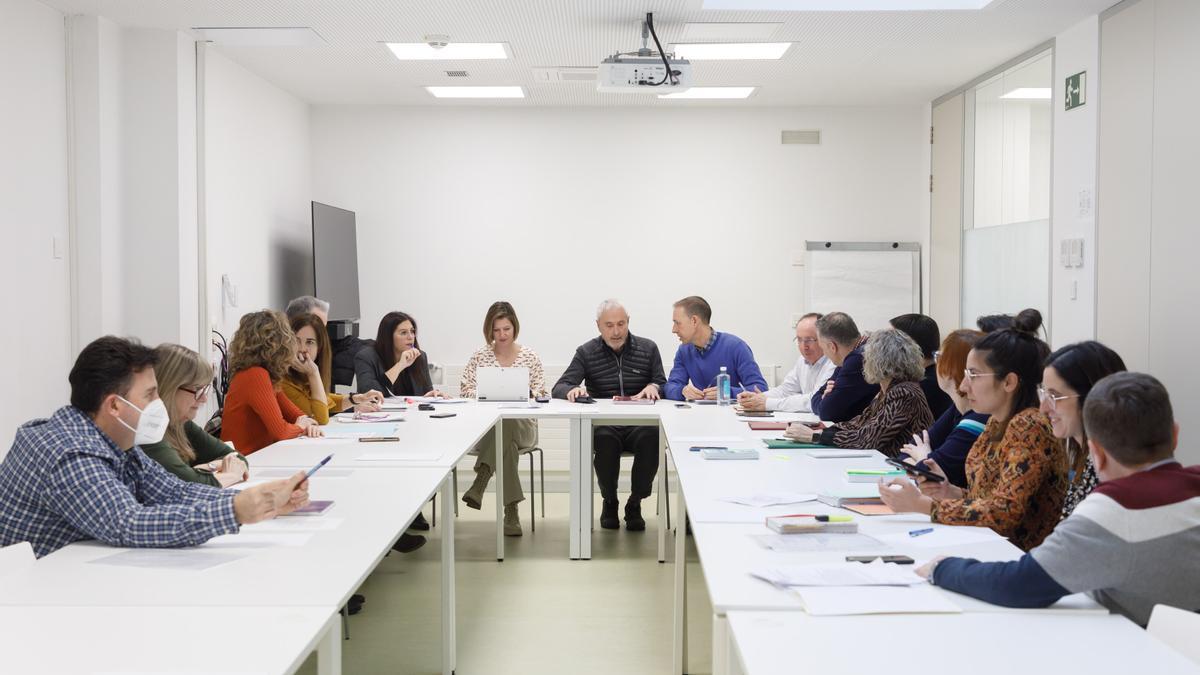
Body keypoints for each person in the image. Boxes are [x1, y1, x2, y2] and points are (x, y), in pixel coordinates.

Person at [919, 372, 1200, 626]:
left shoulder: (1113, 510)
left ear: (1096, 454)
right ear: (1175, 436)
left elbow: (1018, 585)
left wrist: (943, 568)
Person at [0, 336, 309, 558]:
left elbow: (174, 491)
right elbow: (129, 523)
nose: (158, 404)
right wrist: (236, 510)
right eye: (149, 395)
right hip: (32, 601)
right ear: (114, 406)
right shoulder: (69, 454)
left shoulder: (117, 440)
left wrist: (261, 501)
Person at [878, 309, 1068, 551]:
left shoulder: (1028, 426)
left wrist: (922, 505)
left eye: (974, 375)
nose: (964, 386)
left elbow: (1004, 514)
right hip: (988, 546)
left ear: (1009, 382)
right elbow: (988, 500)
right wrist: (949, 491)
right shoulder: (996, 422)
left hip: (1015, 556)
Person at [552, 300, 667, 531]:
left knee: (652, 439)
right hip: (606, 425)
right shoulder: (586, 352)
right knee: (604, 442)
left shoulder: (648, 348)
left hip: (640, 425)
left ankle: (635, 502)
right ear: (598, 326)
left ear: (628, 322)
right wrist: (571, 390)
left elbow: (662, 382)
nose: (616, 331)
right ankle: (610, 501)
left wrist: (655, 387)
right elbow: (560, 386)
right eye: (609, 325)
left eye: (621, 324)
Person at [459, 301, 547, 536]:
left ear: (514, 327)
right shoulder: (480, 356)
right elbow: (465, 390)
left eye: (506, 329)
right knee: (504, 437)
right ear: (490, 330)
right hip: (487, 429)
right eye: (496, 330)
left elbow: (542, 393)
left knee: (507, 419)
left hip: (524, 428)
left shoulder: (529, 356)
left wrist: (527, 394)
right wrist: (484, 394)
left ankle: (482, 480)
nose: (501, 335)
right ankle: (512, 511)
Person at [783, 329, 933, 457]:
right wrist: (820, 430)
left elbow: (868, 438)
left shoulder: (903, 392)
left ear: (878, 361)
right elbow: (860, 423)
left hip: (896, 468)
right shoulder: (889, 389)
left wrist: (815, 436)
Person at [140, 344, 249, 487]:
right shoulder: (147, 431)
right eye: (197, 389)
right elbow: (188, 484)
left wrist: (205, 468)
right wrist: (231, 474)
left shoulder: (181, 424)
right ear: (169, 387)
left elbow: (237, 458)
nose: (203, 398)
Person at [1040, 341, 1127, 519]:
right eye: (1044, 395)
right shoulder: (1086, 459)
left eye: (1054, 396)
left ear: (1093, 397)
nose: (1043, 408)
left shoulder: (1109, 469)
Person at [221, 310, 323, 454]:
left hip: (254, 458)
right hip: (245, 462)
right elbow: (281, 432)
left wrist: (306, 423)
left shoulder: (261, 374)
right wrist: (301, 426)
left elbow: (298, 415)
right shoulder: (256, 375)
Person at [898, 329, 989, 488]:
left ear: (952, 367)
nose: (936, 363)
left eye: (939, 357)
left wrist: (923, 457)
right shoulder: (958, 408)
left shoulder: (979, 417)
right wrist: (925, 461)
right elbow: (906, 451)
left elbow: (931, 474)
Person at [283, 313, 384, 424]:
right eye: (297, 341)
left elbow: (324, 399)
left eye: (310, 342)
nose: (302, 349)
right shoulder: (283, 380)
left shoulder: (302, 374)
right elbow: (320, 419)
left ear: (319, 348)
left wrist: (356, 398)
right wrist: (314, 373)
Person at [664, 296, 767, 401]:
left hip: (732, 414)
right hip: (698, 414)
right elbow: (669, 387)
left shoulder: (736, 347)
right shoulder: (683, 351)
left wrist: (727, 392)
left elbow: (761, 389)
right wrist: (682, 391)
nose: (674, 330)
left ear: (694, 321)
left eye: (677, 323)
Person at [736, 313, 835, 413]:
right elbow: (785, 390)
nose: (804, 346)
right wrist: (759, 397)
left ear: (824, 339)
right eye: (799, 340)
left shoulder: (833, 363)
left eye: (809, 340)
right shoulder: (802, 360)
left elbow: (814, 400)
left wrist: (767, 403)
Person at [809, 312, 879, 422]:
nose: (824, 354)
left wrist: (824, 400)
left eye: (823, 348)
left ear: (832, 347)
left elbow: (827, 412)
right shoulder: (853, 353)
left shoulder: (858, 359)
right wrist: (824, 399)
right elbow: (818, 394)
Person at [355, 311, 444, 398]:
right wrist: (400, 365)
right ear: (388, 336)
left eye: (412, 331)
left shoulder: (420, 356)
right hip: (379, 412)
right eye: (403, 332)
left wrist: (434, 395)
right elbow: (368, 394)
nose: (410, 337)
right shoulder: (365, 357)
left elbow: (427, 391)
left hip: (413, 412)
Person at [890, 313, 953, 418]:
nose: (884, 347)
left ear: (907, 346)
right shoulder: (934, 373)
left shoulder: (925, 386)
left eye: (889, 341)